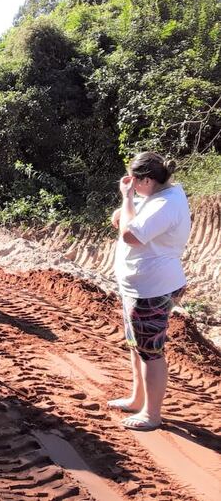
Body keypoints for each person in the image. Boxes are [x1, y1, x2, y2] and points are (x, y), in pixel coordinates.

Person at [108, 152, 191, 431]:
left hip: (151, 289)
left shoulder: (166, 204)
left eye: (134, 180)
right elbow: (126, 221)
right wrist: (127, 205)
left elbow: (131, 235)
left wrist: (128, 198)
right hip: (139, 286)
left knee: (150, 352)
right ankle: (137, 398)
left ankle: (151, 414)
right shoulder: (161, 194)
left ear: (146, 180)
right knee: (137, 346)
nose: (130, 184)